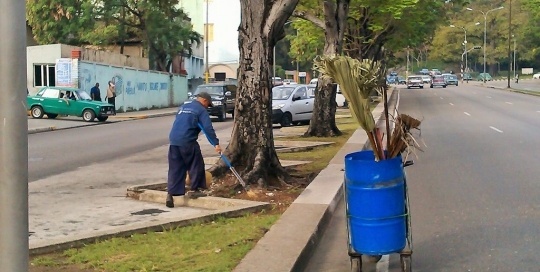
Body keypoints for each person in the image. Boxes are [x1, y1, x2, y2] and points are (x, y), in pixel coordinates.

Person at [166, 92, 221, 208]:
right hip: (187, 140)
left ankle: (171, 193)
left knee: (175, 168)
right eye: (208, 104)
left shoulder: (184, 107)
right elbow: (208, 128)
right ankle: (195, 189)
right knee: (196, 163)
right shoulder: (201, 110)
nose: (207, 107)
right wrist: (216, 143)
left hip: (174, 140)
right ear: (205, 101)